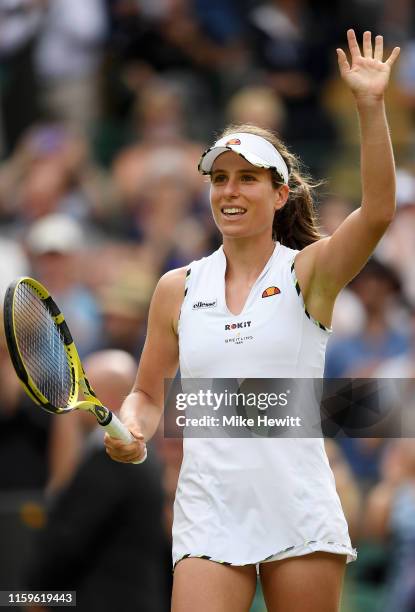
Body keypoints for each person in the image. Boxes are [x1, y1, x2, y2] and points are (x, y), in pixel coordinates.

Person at [105, 30, 400, 612]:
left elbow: (379, 210)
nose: (230, 191)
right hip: (209, 513)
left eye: (247, 178)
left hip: (298, 507)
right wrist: (134, 426)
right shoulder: (176, 287)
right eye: (219, 179)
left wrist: (369, 106)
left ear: (281, 193)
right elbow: (145, 392)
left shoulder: (310, 272)